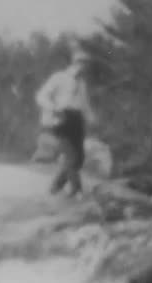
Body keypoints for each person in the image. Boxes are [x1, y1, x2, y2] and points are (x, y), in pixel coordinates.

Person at [35, 45, 97, 198]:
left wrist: (92, 118)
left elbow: (84, 103)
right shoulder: (59, 77)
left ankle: (55, 188)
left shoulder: (82, 83)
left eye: (87, 65)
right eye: (83, 64)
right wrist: (54, 108)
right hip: (62, 118)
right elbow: (41, 96)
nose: (85, 68)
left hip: (76, 119)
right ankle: (77, 191)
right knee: (71, 157)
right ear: (76, 63)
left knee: (80, 158)